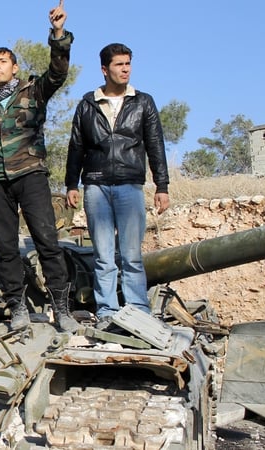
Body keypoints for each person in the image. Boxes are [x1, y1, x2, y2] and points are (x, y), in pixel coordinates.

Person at [0, 0, 79, 333]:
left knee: (47, 241)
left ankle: (61, 308)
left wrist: (58, 34)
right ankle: (17, 306)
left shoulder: (34, 90)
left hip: (30, 174)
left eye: (2, 62)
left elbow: (58, 72)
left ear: (14, 67)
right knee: (6, 247)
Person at [65, 43, 170, 329]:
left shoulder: (143, 102)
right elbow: (76, 146)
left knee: (131, 255)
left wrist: (162, 185)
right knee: (103, 255)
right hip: (96, 185)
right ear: (104, 69)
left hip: (130, 184)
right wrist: (71, 183)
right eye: (119, 64)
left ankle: (138, 309)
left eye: (128, 64)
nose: (125, 69)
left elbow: (155, 145)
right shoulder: (88, 104)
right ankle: (107, 311)